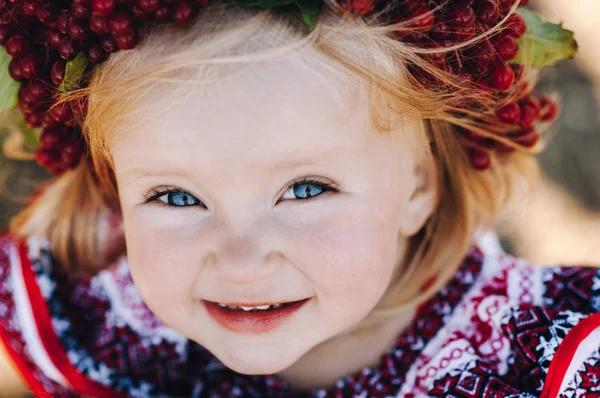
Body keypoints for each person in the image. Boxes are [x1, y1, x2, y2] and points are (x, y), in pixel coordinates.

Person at [0, 0, 598, 396]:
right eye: (176, 198)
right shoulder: (110, 317)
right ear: (114, 191)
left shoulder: (544, 362)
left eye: (305, 190)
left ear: (420, 184)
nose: (240, 262)